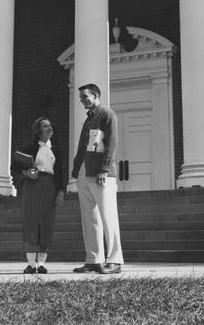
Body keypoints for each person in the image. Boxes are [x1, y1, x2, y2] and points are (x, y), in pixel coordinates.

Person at [71, 83, 124, 274]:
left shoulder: (107, 115)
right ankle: (94, 259)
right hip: (85, 173)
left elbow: (111, 143)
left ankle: (115, 260)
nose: (82, 100)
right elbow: (85, 147)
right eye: (81, 98)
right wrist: (76, 172)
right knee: (89, 217)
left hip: (102, 174)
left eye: (85, 96)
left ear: (96, 95)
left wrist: (104, 169)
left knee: (108, 216)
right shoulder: (89, 119)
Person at [13, 117, 65, 274]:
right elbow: (14, 166)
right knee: (31, 221)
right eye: (45, 126)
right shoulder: (29, 148)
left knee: (46, 222)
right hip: (32, 186)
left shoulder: (56, 150)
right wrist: (26, 173)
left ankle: (41, 263)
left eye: (50, 125)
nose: (49, 128)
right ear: (38, 130)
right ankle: (30, 264)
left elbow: (60, 173)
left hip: (50, 187)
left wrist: (60, 192)